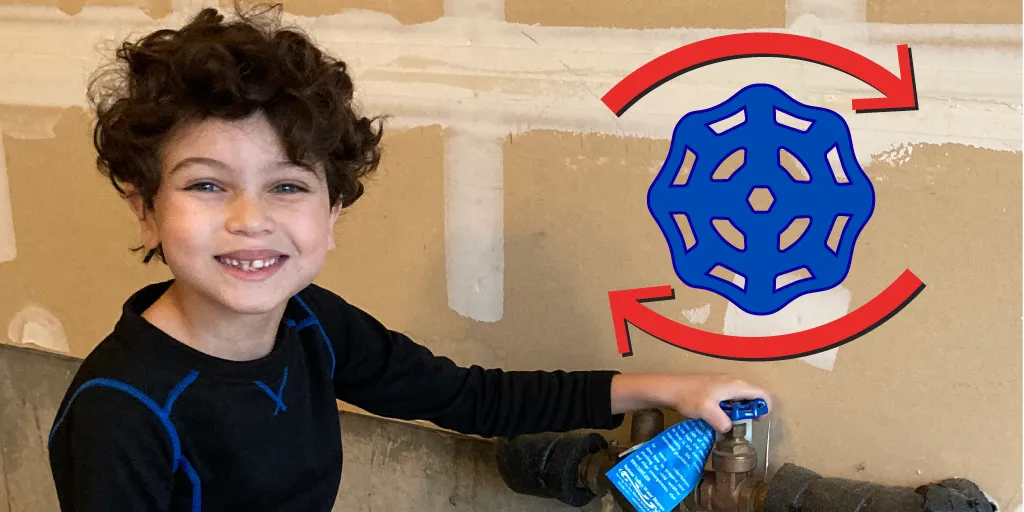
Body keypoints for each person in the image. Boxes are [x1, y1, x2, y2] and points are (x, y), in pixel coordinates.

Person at [46, 4, 771, 511]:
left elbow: (471, 398)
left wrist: (668, 388)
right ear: (145, 209)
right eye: (206, 184)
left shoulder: (311, 326)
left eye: (287, 186)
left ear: (331, 215)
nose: (249, 219)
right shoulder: (123, 409)